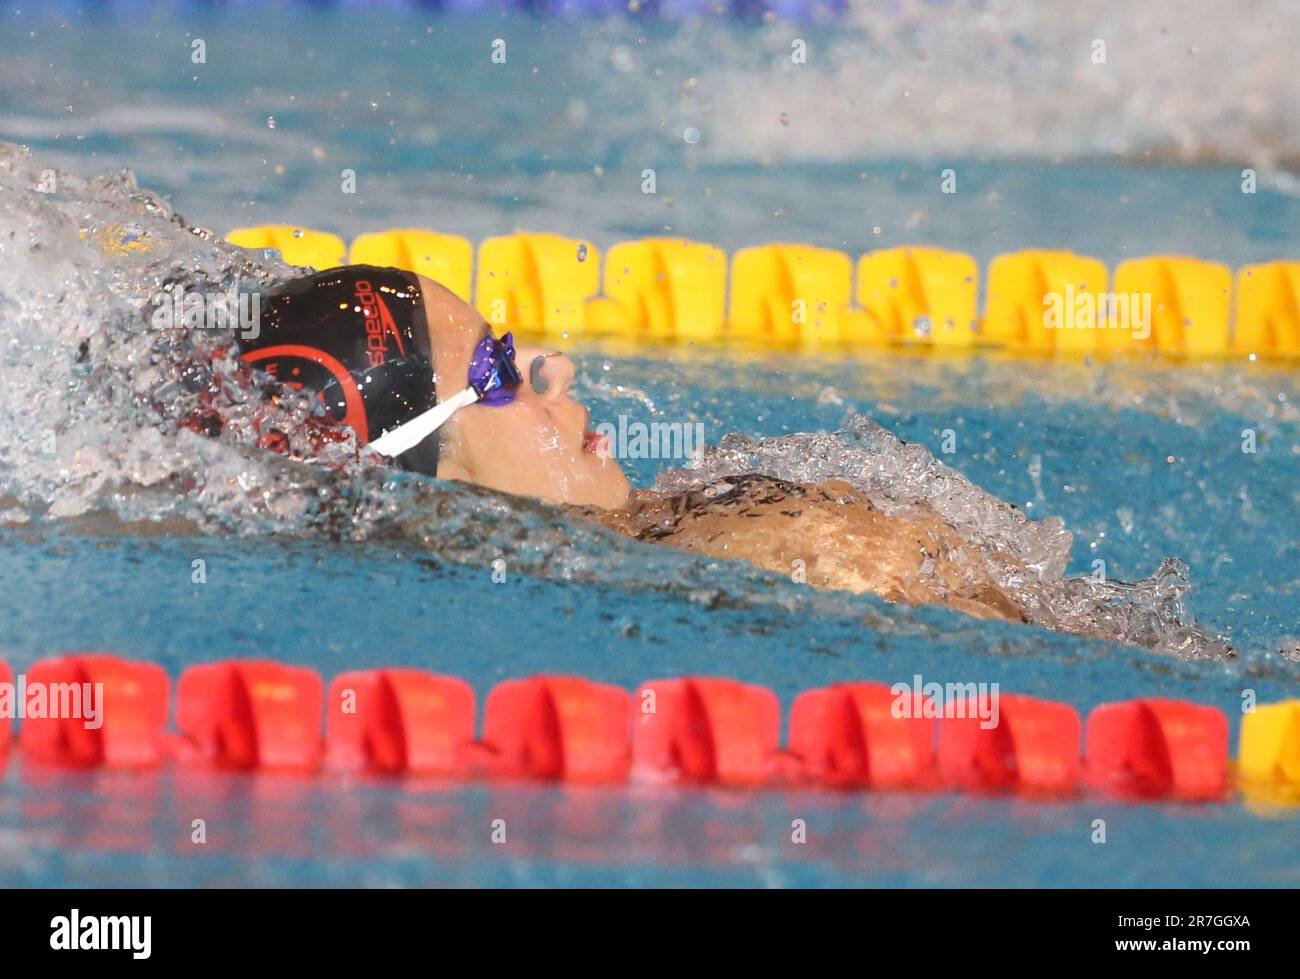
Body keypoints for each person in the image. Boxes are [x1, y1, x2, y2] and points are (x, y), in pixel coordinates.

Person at [238, 265, 1038, 624]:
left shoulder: (696, 546)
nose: (560, 373)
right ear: (413, 472)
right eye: (499, 373)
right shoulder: (776, 550)